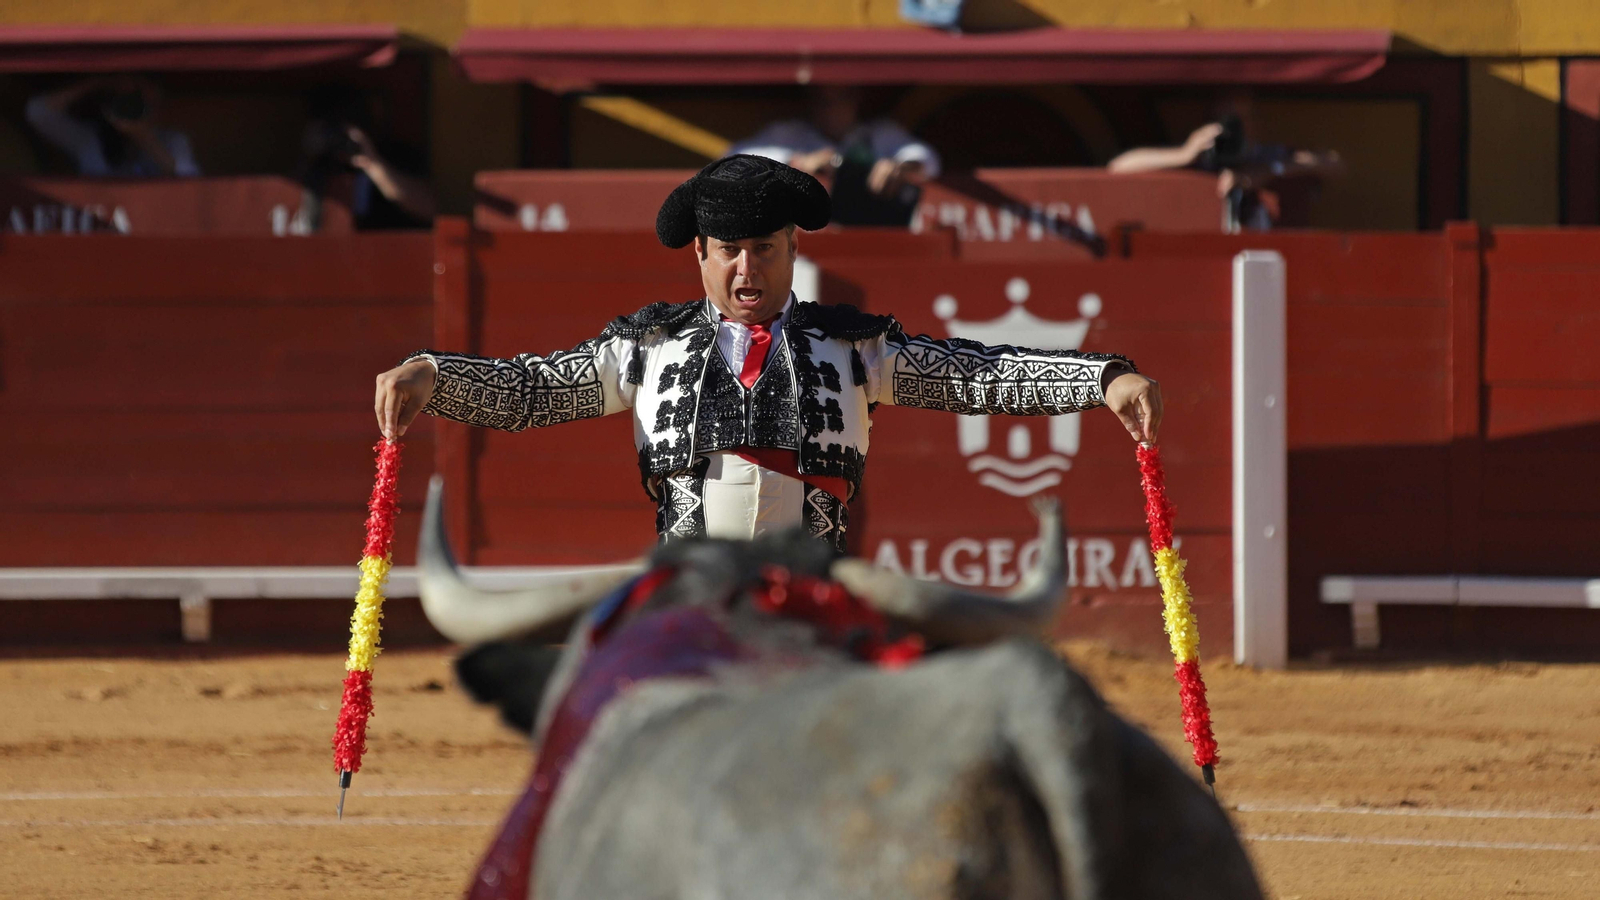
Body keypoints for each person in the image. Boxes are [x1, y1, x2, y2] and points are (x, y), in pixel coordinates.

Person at [373, 155, 1161, 550]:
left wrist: (1104, 379)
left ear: (792, 251)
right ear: (702, 257)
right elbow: (530, 391)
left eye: (766, 250)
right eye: (731, 251)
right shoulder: (643, 349)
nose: (748, 271)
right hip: (689, 592)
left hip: (813, 590)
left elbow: (978, 377)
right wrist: (434, 374)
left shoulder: (852, 349)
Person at [1107, 94, 1341, 231]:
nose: (1234, 131)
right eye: (1227, 122)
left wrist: (1268, 172)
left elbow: (1334, 164)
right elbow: (1118, 168)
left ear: (1256, 122)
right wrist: (1184, 154)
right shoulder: (1200, 158)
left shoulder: (1264, 156)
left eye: (1242, 120)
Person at [729, 86, 940, 226]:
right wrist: (797, 163)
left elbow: (927, 158)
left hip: (868, 237)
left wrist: (899, 169)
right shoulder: (791, 134)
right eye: (823, 100)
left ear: (856, 100)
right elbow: (733, 160)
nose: (831, 109)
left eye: (841, 99)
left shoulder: (878, 135)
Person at [296, 87, 436, 230]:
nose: (339, 139)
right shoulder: (319, 168)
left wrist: (372, 164)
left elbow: (429, 207)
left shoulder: (395, 154)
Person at [24, 76, 200, 178]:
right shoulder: (91, 141)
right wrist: (100, 82)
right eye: (128, 102)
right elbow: (37, 113)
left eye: (145, 103)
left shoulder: (172, 141)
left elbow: (189, 179)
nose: (133, 108)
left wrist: (141, 135)